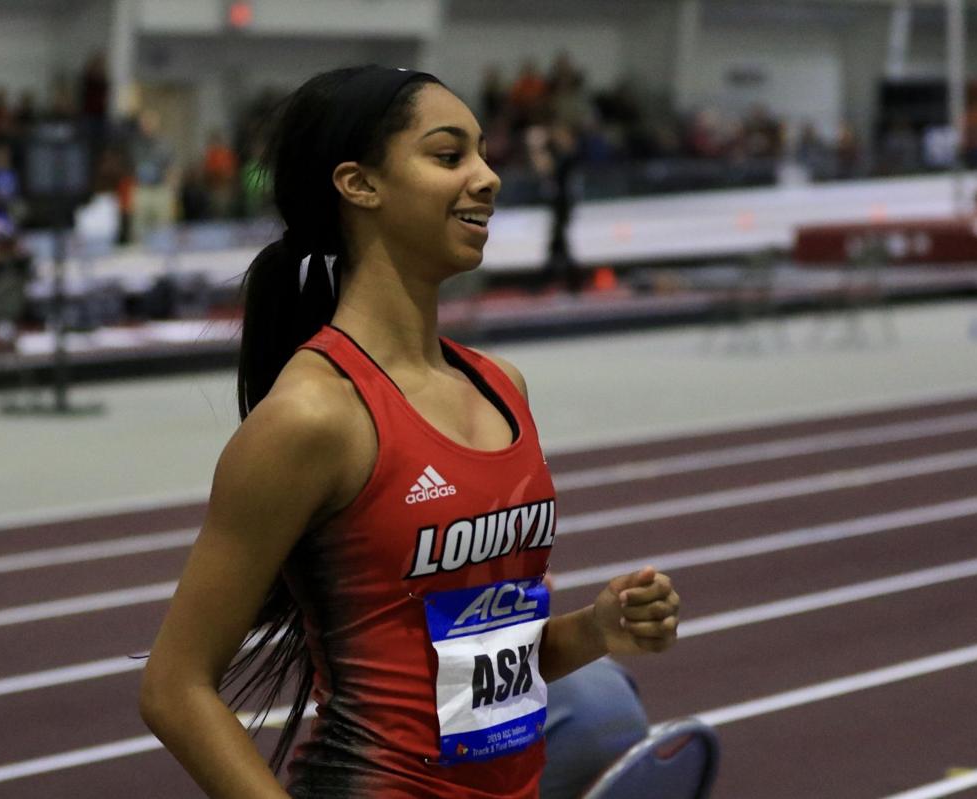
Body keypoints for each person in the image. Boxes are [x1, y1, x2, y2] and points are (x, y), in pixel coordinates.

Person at [139, 65, 681, 798]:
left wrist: (596, 630)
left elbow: (471, 660)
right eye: (450, 155)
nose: (488, 177)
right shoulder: (314, 416)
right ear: (359, 185)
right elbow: (175, 688)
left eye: (485, 153)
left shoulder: (501, 386)